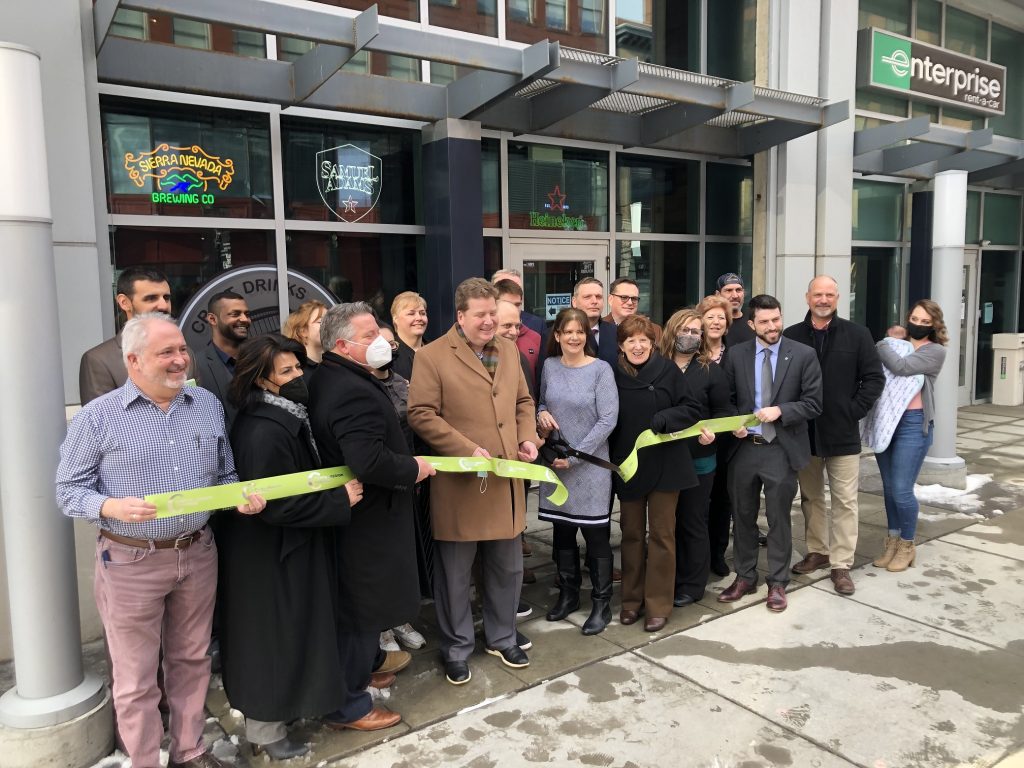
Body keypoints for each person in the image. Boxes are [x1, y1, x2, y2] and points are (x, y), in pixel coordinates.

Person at [56, 313, 266, 768]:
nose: (179, 360)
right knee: (135, 677)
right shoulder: (98, 417)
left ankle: (189, 751)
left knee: (192, 659)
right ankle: (144, 760)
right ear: (133, 360)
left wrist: (239, 499)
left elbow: (225, 473)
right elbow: (68, 490)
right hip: (131, 561)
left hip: (197, 551)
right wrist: (111, 507)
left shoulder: (205, 404)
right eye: (165, 352)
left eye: (182, 350)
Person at [219, 334, 364, 760]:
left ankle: (284, 715)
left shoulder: (283, 416)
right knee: (273, 639)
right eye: (287, 371)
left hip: (287, 550)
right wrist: (339, 500)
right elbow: (278, 505)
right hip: (272, 556)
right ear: (261, 380)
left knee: (291, 634)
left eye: (298, 366)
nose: (299, 375)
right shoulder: (264, 431)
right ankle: (266, 731)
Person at [308, 303, 436, 731]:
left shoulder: (337, 376)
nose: (382, 342)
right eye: (369, 336)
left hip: (363, 518)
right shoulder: (351, 390)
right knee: (361, 611)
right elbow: (368, 460)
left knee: (362, 607)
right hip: (368, 521)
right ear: (343, 345)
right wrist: (413, 468)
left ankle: (361, 672)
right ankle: (348, 705)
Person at [408, 278, 540, 685]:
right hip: (461, 483)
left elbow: (522, 402)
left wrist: (527, 438)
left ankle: (502, 637)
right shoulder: (431, 356)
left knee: (507, 568)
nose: (489, 321)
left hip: (505, 480)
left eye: (493, 314)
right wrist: (465, 449)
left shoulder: (508, 350)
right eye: (480, 315)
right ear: (460, 316)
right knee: (455, 575)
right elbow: (421, 413)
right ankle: (456, 647)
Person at [720, 295, 822, 613]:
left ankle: (777, 582)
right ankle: (745, 576)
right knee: (743, 517)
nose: (772, 326)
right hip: (744, 449)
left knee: (778, 519)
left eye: (776, 319)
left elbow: (814, 403)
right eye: (764, 322)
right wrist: (734, 424)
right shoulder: (736, 354)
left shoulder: (803, 354)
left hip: (780, 448)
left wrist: (782, 410)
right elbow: (726, 399)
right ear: (751, 324)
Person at [784, 276, 884, 595]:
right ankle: (818, 551)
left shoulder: (858, 334)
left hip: (842, 433)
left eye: (829, 294)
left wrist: (852, 410)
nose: (823, 300)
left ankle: (841, 564)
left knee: (845, 501)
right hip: (805, 433)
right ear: (807, 297)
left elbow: (873, 379)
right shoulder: (791, 336)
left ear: (838, 298)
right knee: (811, 497)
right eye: (818, 294)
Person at [609, 315, 702, 633]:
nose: (637, 346)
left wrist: (666, 418)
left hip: (666, 465)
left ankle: (658, 605)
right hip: (629, 465)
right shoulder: (612, 374)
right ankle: (630, 601)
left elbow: (692, 409)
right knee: (631, 534)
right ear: (621, 345)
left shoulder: (668, 370)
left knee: (662, 535)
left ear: (652, 343)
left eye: (643, 340)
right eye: (630, 340)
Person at [535, 308, 618, 635]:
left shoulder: (600, 370)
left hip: (590, 467)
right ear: (557, 335)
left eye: (579, 331)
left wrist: (576, 456)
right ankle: (568, 596)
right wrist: (541, 414)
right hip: (556, 465)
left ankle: (601, 603)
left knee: (596, 536)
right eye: (567, 331)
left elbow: (608, 420)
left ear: (587, 336)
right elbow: (542, 402)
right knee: (563, 532)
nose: (573, 337)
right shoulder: (550, 366)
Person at [864, 300, 948, 573]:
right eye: (915, 319)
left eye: (925, 322)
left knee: (901, 490)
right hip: (886, 420)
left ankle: (907, 545)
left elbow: (900, 367)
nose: (919, 325)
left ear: (934, 325)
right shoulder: (897, 344)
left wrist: (882, 343)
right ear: (908, 317)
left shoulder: (935, 351)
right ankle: (892, 541)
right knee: (889, 488)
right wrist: (891, 343)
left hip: (913, 424)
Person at [659, 309, 734, 607]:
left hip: (698, 459)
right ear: (672, 330)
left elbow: (725, 411)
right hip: (662, 459)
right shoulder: (657, 365)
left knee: (692, 521)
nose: (689, 336)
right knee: (667, 524)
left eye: (695, 331)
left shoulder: (709, 370)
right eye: (684, 330)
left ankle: (692, 584)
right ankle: (668, 577)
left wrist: (713, 433)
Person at [371, 324, 429, 652]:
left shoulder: (402, 383)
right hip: (377, 482)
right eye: (381, 343)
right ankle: (382, 627)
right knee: (379, 556)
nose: (388, 349)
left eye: (392, 344)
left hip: (408, 476)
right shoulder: (362, 386)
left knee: (403, 554)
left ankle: (400, 619)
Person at [79, 266, 195, 404]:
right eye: (151, 298)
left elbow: (195, 405)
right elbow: (100, 415)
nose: (163, 306)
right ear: (124, 302)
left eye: (166, 298)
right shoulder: (99, 360)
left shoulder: (186, 355)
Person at [696, 294, 736, 577]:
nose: (715, 322)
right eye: (710, 316)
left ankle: (717, 553)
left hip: (728, 439)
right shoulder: (690, 353)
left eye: (721, 317)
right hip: (696, 439)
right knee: (697, 500)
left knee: (723, 498)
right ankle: (698, 554)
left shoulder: (737, 354)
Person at [194, 290, 252, 430]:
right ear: (212, 319)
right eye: (235, 314)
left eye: (247, 314)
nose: (245, 319)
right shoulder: (196, 366)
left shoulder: (261, 359)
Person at [495, 279, 543, 382]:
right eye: (507, 303)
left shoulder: (535, 338)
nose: (513, 309)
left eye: (517, 305)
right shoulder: (482, 343)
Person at [492, 268, 544, 336]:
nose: (512, 290)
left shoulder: (536, 325)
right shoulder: (484, 327)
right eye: (505, 286)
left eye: (517, 287)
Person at [390, 291, 428, 380]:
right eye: (411, 314)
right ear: (395, 319)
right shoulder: (389, 355)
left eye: (422, 313)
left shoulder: (436, 350)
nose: (419, 318)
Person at [282, 299, 328, 367]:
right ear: (302, 331)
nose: (329, 326)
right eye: (321, 322)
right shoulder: (296, 368)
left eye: (330, 321)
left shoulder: (332, 365)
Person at [716, 273, 755, 345]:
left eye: (738, 290)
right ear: (718, 294)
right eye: (728, 290)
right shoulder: (713, 323)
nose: (735, 296)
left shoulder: (754, 320)